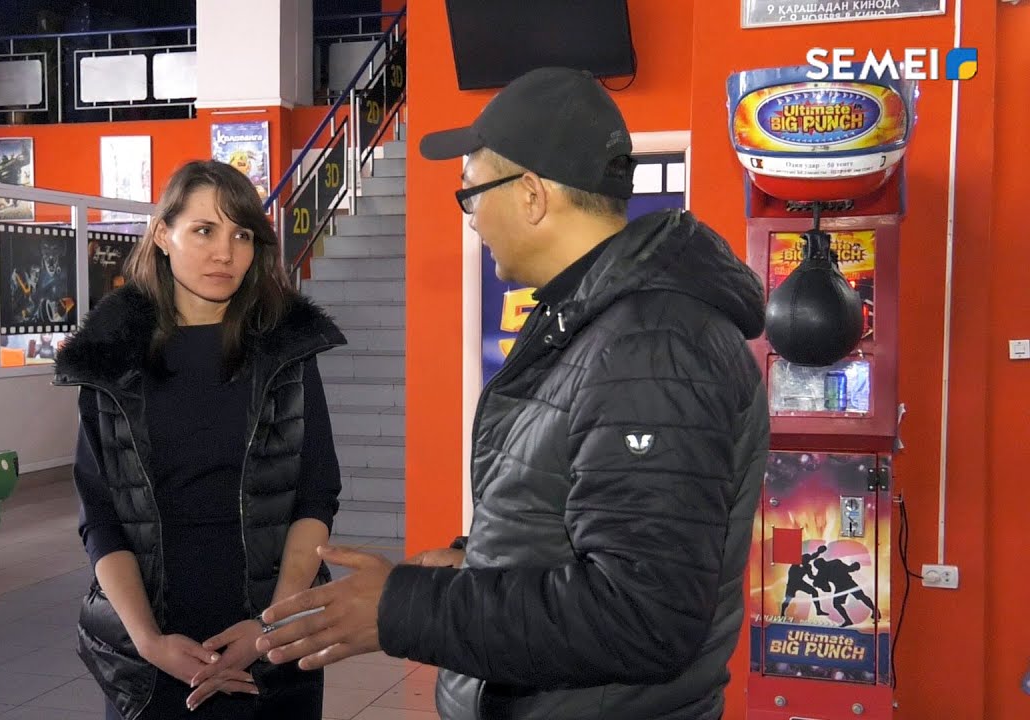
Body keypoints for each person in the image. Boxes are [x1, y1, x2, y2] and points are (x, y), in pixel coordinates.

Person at [255, 66, 770, 720]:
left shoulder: (652, 347)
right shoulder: (592, 321)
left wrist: (403, 608)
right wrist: (482, 560)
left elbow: (643, 615)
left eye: (471, 192)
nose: (471, 217)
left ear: (530, 195)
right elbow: (580, 515)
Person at [53, 159, 346, 720]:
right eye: (205, 230)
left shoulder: (286, 351)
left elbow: (316, 496)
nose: (225, 253)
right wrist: (148, 641)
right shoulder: (110, 360)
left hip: (273, 631)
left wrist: (270, 625)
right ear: (163, 235)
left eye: (242, 235)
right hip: (153, 648)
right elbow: (101, 517)